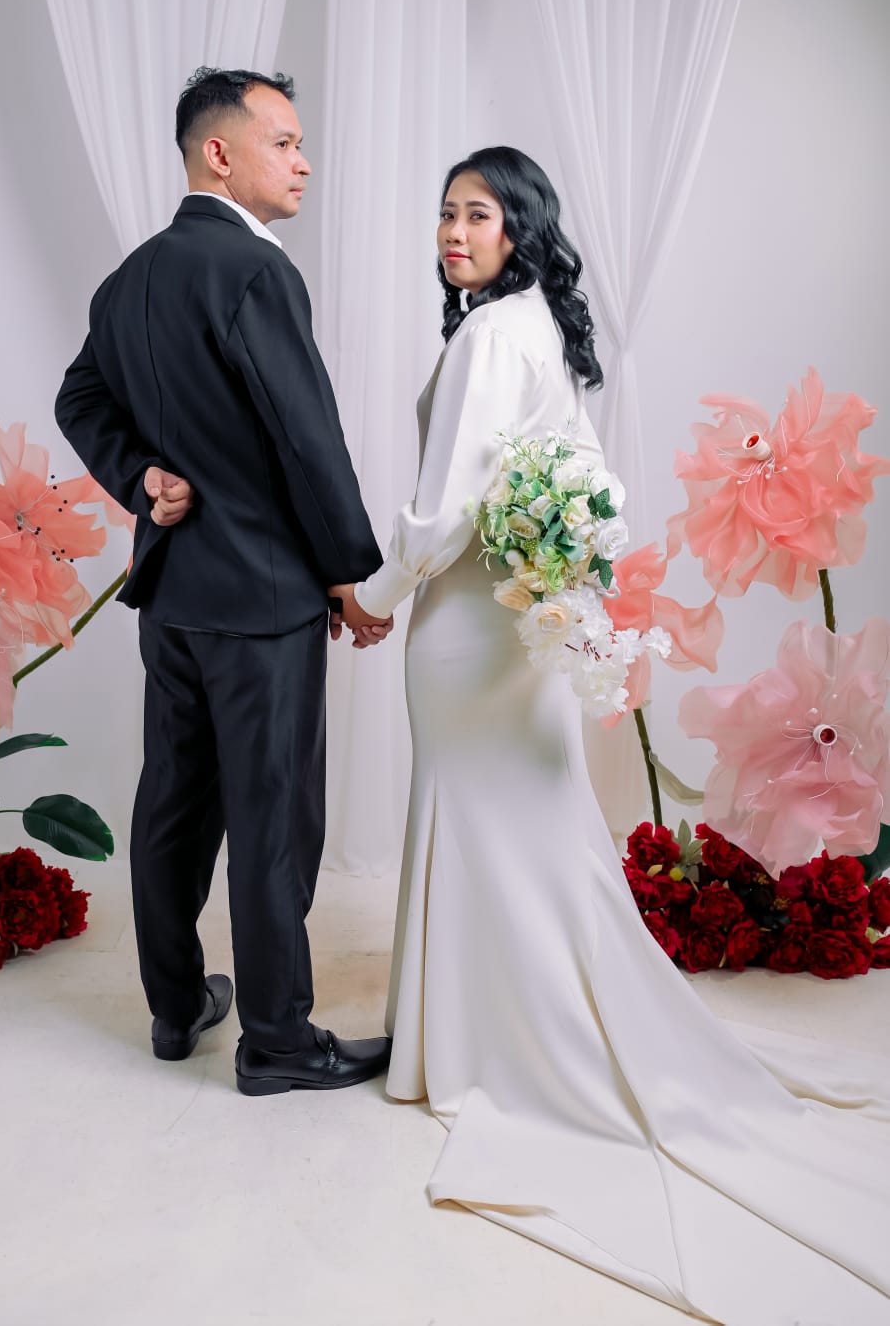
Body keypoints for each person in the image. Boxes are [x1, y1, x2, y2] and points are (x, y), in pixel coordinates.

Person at [338, 146, 890, 1323]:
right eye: (443, 214)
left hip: (468, 628)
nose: (451, 232)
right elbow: (581, 488)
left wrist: (374, 594)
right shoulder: (534, 327)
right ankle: (487, 1035)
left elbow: (445, 506)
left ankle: (485, 1047)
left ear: (519, 227)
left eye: (476, 214)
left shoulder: (489, 336)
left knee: (492, 828)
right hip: (518, 625)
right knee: (522, 832)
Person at [55, 67, 392, 1095]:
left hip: (172, 597)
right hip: (263, 598)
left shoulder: (129, 279)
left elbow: (79, 398)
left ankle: (175, 1008)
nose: (302, 162)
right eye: (283, 142)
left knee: (174, 803)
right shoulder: (254, 270)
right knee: (272, 817)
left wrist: (140, 477)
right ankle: (278, 1040)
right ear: (219, 153)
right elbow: (307, 438)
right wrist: (349, 572)